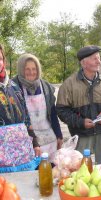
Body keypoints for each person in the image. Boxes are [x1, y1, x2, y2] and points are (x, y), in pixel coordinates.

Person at [56, 45, 101, 164]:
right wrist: (81, 122)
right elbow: (62, 111)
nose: (99, 61)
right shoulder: (69, 84)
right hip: (81, 134)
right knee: (80, 169)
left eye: (99, 58)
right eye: (94, 58)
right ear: (84, 63)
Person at [12, 53, 63, 162]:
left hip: (49, 140)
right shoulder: (14, 88)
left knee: (51, 174)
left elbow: (53, 113)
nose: (31, 72)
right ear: (21, 69)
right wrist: (34, 141)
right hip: (29, 141)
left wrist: (59, 135)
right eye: (27, 69)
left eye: (34, 69)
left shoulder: (45, 86)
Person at [0, 44, 41, 172]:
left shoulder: (14, 87)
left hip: (23, 157)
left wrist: (35, 144)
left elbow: (27, 119)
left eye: (0, 58)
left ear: (4, 61)